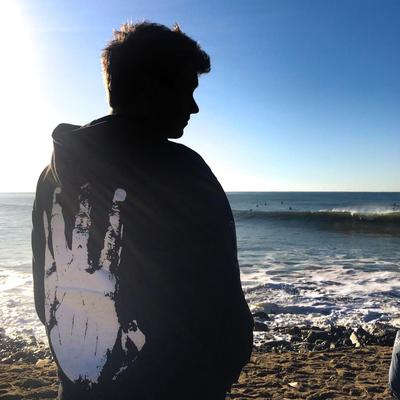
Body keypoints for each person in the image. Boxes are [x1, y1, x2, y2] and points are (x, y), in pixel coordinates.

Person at [32, 21, 253, 400]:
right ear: (151, 86)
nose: (194, 107)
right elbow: (220, 300)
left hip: (80, 386)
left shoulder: (52, 174)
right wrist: (226, 364)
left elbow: (46, 289)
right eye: (186, 89)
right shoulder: (180, 169)